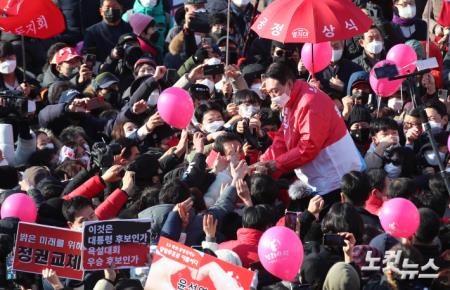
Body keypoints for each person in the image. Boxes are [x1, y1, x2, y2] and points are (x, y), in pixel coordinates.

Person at [258, 62, 363, 208]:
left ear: (288, 83)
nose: (272, 97)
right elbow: (284, 135)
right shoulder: (292, 98)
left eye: (275, 91)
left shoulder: (309, 101)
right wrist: (264, 160)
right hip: (318, 177)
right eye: (269, 93)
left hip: (334, 179)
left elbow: (308, 147)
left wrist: (277, 164)